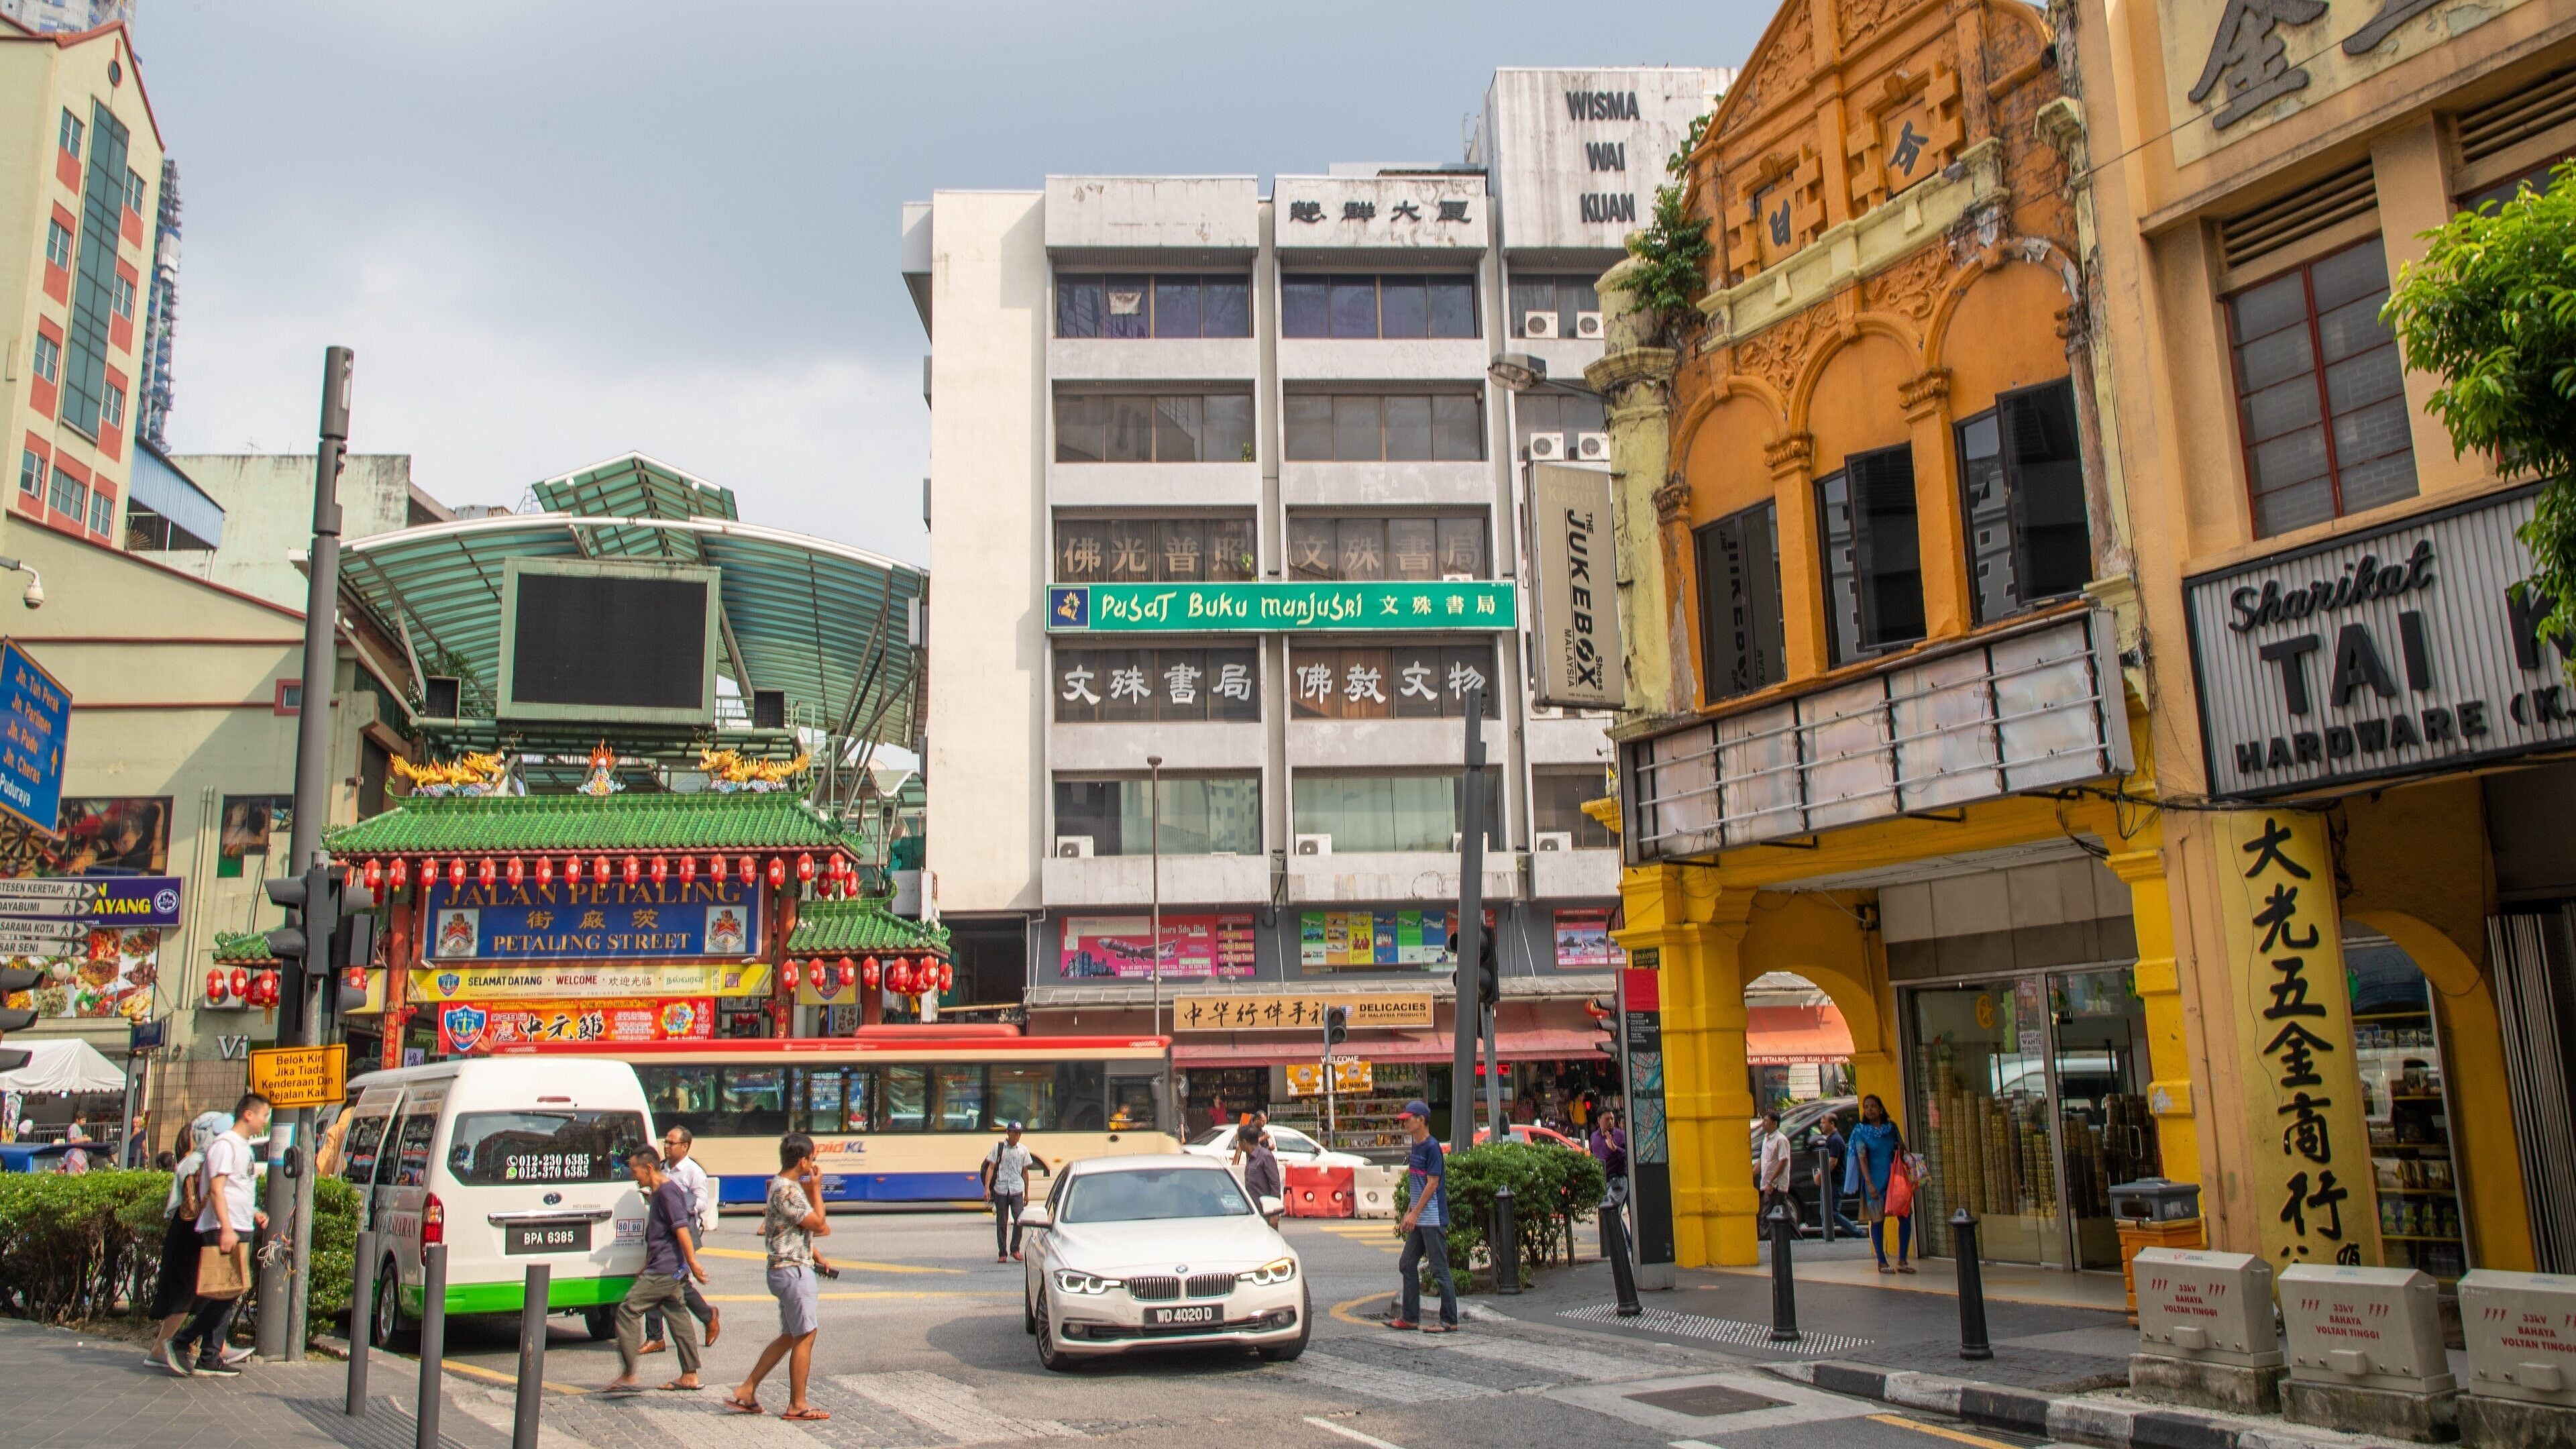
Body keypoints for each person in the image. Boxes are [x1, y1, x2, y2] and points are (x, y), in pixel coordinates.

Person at [725, 1133, 833, 1420]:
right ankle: (797, 1404)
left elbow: (799, 1231)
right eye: (813, 1159)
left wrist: (816, 1254)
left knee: (790, 1335)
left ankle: (747, 1389)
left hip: (784, 1268)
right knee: (806, 1335)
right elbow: (820, 1225)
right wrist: (817, 1189)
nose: (814, 1164)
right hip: (793, 1271)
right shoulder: (788, 1191)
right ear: (803, 1160)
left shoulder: (782, 1187)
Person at [165, 1094, 270, 1376]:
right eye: (264, 1115)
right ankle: (182, 1341)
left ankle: (211, 1356)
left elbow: (238, 1189)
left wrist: (253, 1212)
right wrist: (225, 1227)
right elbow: (217, 1189)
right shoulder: (225, 1145)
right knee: (226, 1292)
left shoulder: (242, 1147)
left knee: (229, 1291)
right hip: (226, 1228)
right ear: (248, 1114)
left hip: (239, 1226)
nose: (266, 1120)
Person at [603, 1148, 708, 1394]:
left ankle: (629, 1374)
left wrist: (693, 1263)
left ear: (649, 1168)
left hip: (664, 1269)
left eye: (635, 1170)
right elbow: (662, 1234)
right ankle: (690, 1375)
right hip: (668, 1267)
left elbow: (681, 1228)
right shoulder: (662, 1192)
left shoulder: (666, 1193)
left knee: (628, 1310)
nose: (633, 1175)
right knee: (678, 1315)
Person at [147, 1112, 240, 1370]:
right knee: (186, 1294)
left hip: (195, 1231)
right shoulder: (197, 1162)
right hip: (191, 1232)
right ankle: (160, 1347)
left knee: (205, 1291)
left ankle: (218, 1347)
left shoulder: (199, 1160)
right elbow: (198, 1201)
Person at [642, 1125, 722, 1354]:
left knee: (678, 1281)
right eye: (665, 1142)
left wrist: (679, 1208)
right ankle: (655, 1336)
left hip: (682, 1234)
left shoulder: (693, 1172)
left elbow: (703, 1202)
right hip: (660, 1233)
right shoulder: (661, 1169)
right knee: (654, 1278)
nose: (666, 1147)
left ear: (685, 1146)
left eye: (671, 1143)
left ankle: (708, 1316)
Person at [1386, 1100, 1456, 1334]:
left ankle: (1449, 1320)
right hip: (1418, 1217)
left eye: (1409, 1119)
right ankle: (1410, 1317)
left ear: (1421, 1120)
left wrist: (1415, 1213)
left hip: (1432, 1218)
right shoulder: (1416, 1146)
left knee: (1439, 1269)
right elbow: (1416, 1185)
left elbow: (1432, 1184)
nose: (1405, 1122)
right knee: (1407, 1263)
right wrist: (1409, 1211)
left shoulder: (1432, 1147)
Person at [1844, 1094, 1915, 1273]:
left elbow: (1903, 1149)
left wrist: (1900, 1149)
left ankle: (1902, 1260)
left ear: (1881, 1108)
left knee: (1905, 1217)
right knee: (1877, 1221)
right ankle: (1882, 1261)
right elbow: (1862, 1158)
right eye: (1866, 1107)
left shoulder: (1891, 1128)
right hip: (1874, 1181)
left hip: (1895, 1180)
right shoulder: (1861, 1131)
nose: (1869, 1110)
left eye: (1873, 1106)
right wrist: (1869, 1184)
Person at [979, 1122, 1050, 1262]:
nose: (1016, 1135)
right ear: (1008, 1133)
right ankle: (1002, 1253)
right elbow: (991, 1168)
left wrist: (1027, 1193)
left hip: (1017, 1189)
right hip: (1000, 1189)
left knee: (1019, 1219)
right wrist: (987, 1188)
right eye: (1014, 1132)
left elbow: (1025, 1172)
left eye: (1019, 1133)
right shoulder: (998, 1148)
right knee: (1002, 1221)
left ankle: (1015, 1249)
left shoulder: (1023, 1150)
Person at [1816, 1112, 1865, 1238]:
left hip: (1834, 1182)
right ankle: (1827, 1235)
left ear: (1832, 1124)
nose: (1821, 1125)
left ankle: (1856, 1232)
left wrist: (1821, 1175)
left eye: (1824, 1123)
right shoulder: (1832, 1139)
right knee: (1827, 1212)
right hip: (1831, 1182)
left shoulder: (1835, 1140)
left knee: (1831, 1212)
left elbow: (1832, 1162)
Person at [1757, 1111, 1794, 1230]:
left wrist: (1771, 1181)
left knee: (1766, 1216)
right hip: (1768, 1183)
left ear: (1774, 1123)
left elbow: (1783, 1161)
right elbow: (1763, 1159)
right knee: (1786, 1215)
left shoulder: (1781, 1140)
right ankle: (1796, 1236)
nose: (1763, 1123)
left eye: (1766, 1120)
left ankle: (1764, 1238)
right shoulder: (1766, 1139)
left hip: (1775, 1185)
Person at [1242, 1128, 1283, 1224]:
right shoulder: (1250, 1157)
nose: (1238, 1145)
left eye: (1238, 1141)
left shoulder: (1265, 1156)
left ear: (1244, 1142)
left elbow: (1275, 1184)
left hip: (1266, 1213)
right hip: (1255, 1212)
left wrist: (1274, 1213)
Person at [1589, 1108, 1629, 1198]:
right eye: (1607, 1119)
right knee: (1603, 1210)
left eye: (1612, 1119)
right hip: (1601, 1181)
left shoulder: (1621, 1135)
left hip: (1618, 1179)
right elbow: (1592, 1156)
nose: (1610, 1122)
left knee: (1610, 1209)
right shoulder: (1594, 1136)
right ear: (1599, 1120)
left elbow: (1630, 1156)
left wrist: (1616, 1149)